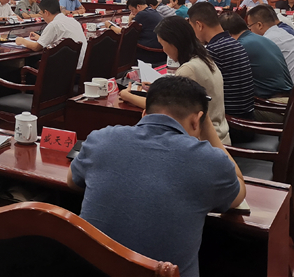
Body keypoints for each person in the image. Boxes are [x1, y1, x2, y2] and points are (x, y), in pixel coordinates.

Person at [69, 75, 245, 277]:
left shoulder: (100, 139)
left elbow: (72, 181)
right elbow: (239, 193)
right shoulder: (211, 161)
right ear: (197, 120)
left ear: (144, 114)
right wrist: (208, 130)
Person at [119, 16, 230, 145]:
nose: (164, 50)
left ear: (173, 43)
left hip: (205, 141)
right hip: (220, 135)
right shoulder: (204, 58)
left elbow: (164, 108)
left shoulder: (188, 69)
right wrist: (160, 90)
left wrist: (128, 96)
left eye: (163, 45)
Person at [188, 2, 256, 143]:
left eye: (192, 28)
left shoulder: (214, 50)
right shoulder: (233, 42)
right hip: (247, 119)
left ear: (199, 25)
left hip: (234, 125)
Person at [219, 13, 293, 99]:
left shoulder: (239, 46)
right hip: (287, 96)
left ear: (227, 34)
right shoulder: (262, 38)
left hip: (272, 101)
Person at [15, 0, 87, 68]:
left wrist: (22, 40)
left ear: (46, 13)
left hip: (64, 69)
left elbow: (36, 47)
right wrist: (40, 38)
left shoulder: (54, 24)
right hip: (80, 66)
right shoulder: (73, 21)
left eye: (41, 14)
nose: (42, 17)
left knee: (32, 62)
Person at [246, 5, 294, 82]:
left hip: (290, 86)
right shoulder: (282, 32)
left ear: (259, 25)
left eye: (250, 26)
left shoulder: (268, 40)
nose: (250, 30)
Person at [108, 0, 163, 65]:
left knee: (118, 46)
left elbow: (126, 33)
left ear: (138, 6)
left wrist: (110, 26)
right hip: (159, 52)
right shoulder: (152, 11)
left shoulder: (142, 14)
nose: (132, 13)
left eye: (132, 10)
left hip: (150, 52)